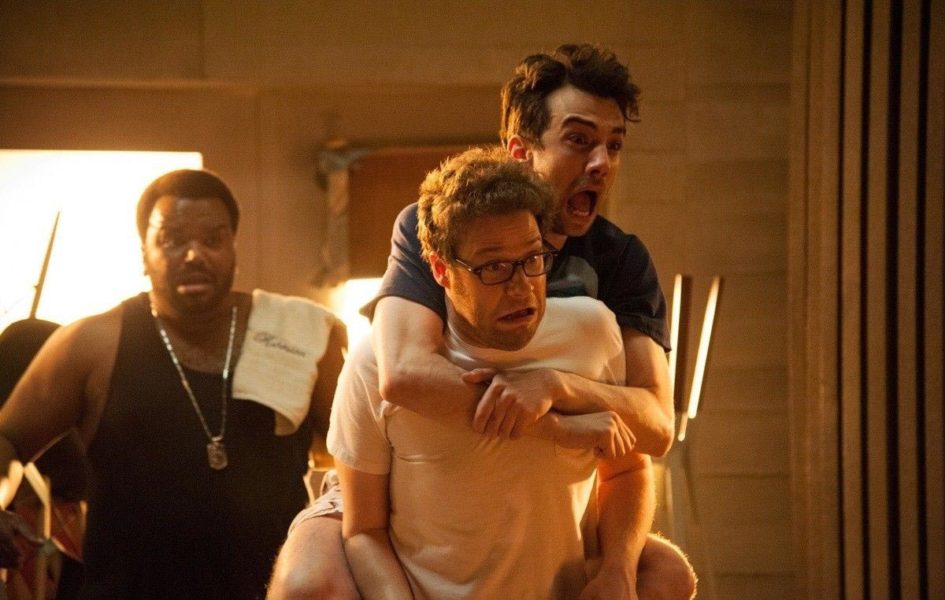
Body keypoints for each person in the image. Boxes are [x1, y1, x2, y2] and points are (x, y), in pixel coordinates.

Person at [269, 44, 695, 598]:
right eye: (579, 140)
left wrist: (556, 386)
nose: (601, 163)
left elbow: (654, 425)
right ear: (520, 151)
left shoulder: (618, 264)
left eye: (614, 145)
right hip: (411, 467)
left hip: (551, 474)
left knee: (666, 576)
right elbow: (402, 373)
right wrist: (552, 423)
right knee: (309, 583)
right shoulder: (439, 227)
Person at [0, 169, 346, 599]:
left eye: (213, 239)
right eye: (172, 239)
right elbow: (8, 438)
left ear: (233, 248)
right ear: (144, 253)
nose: (194, 254)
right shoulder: (92, 344)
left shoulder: (301, 336)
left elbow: (356, 458)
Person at [332, 146, 647, 598]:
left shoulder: (591, 333)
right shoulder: (372, 365)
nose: (522, 288)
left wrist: (619, 569)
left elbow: (626, 471)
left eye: (533, 259)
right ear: (440, 270)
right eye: (494, 267)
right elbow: (363, 530)